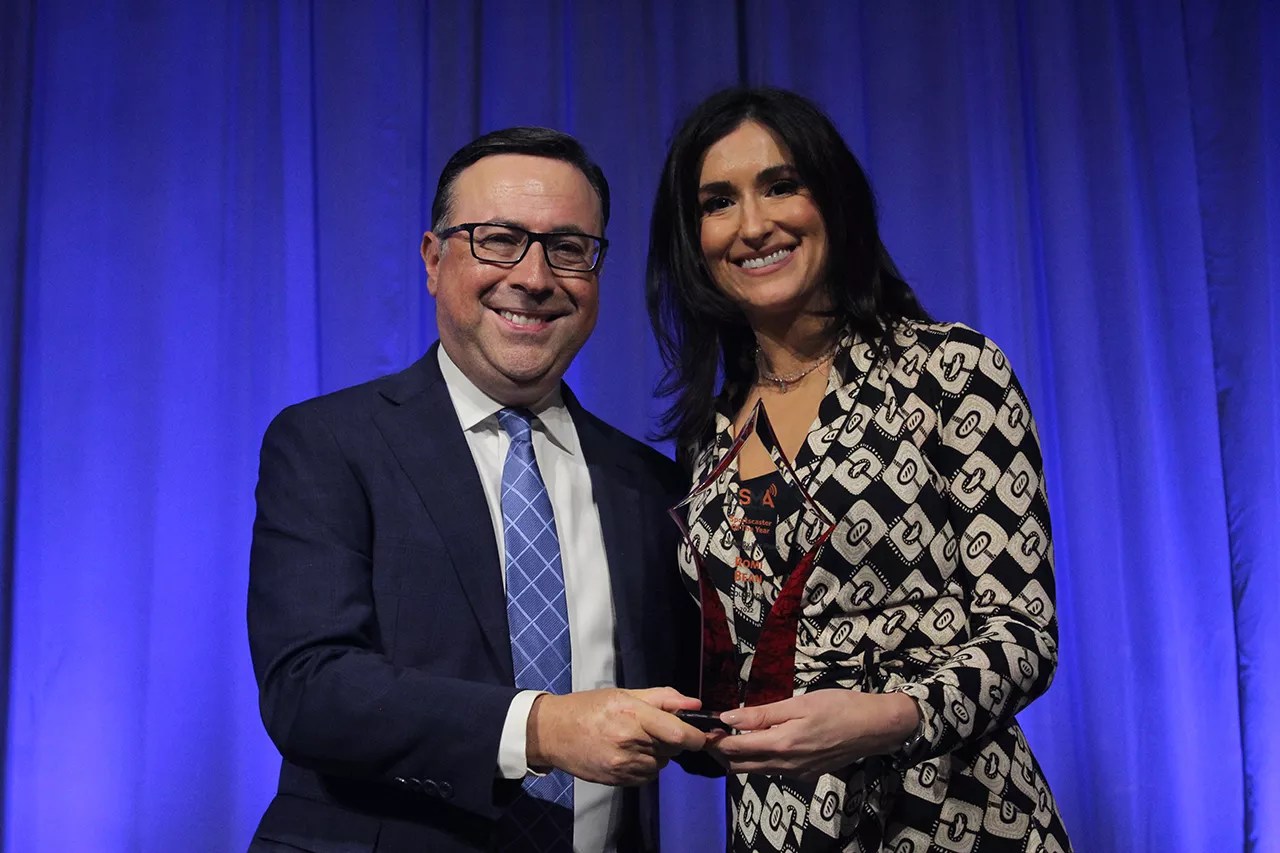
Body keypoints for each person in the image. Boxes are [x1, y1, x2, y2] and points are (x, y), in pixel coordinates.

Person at [247, 126, 710, 853]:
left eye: (568, 248)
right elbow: (309, 688)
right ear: (434, 260)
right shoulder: (327, 443)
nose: (534, 276)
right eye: (499, 240)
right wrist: (541, 728)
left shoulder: (649, 485)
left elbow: (700, 702)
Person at [647, 87, 1072, 851]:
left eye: (781, 185)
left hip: (951, 816)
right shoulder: (709, 435)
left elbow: (1023, 635)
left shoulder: (948, 372)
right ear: (693, 237)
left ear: (833, 198)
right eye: (718, 202)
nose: (753, 224)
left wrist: (890, 716)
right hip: (777, 828)